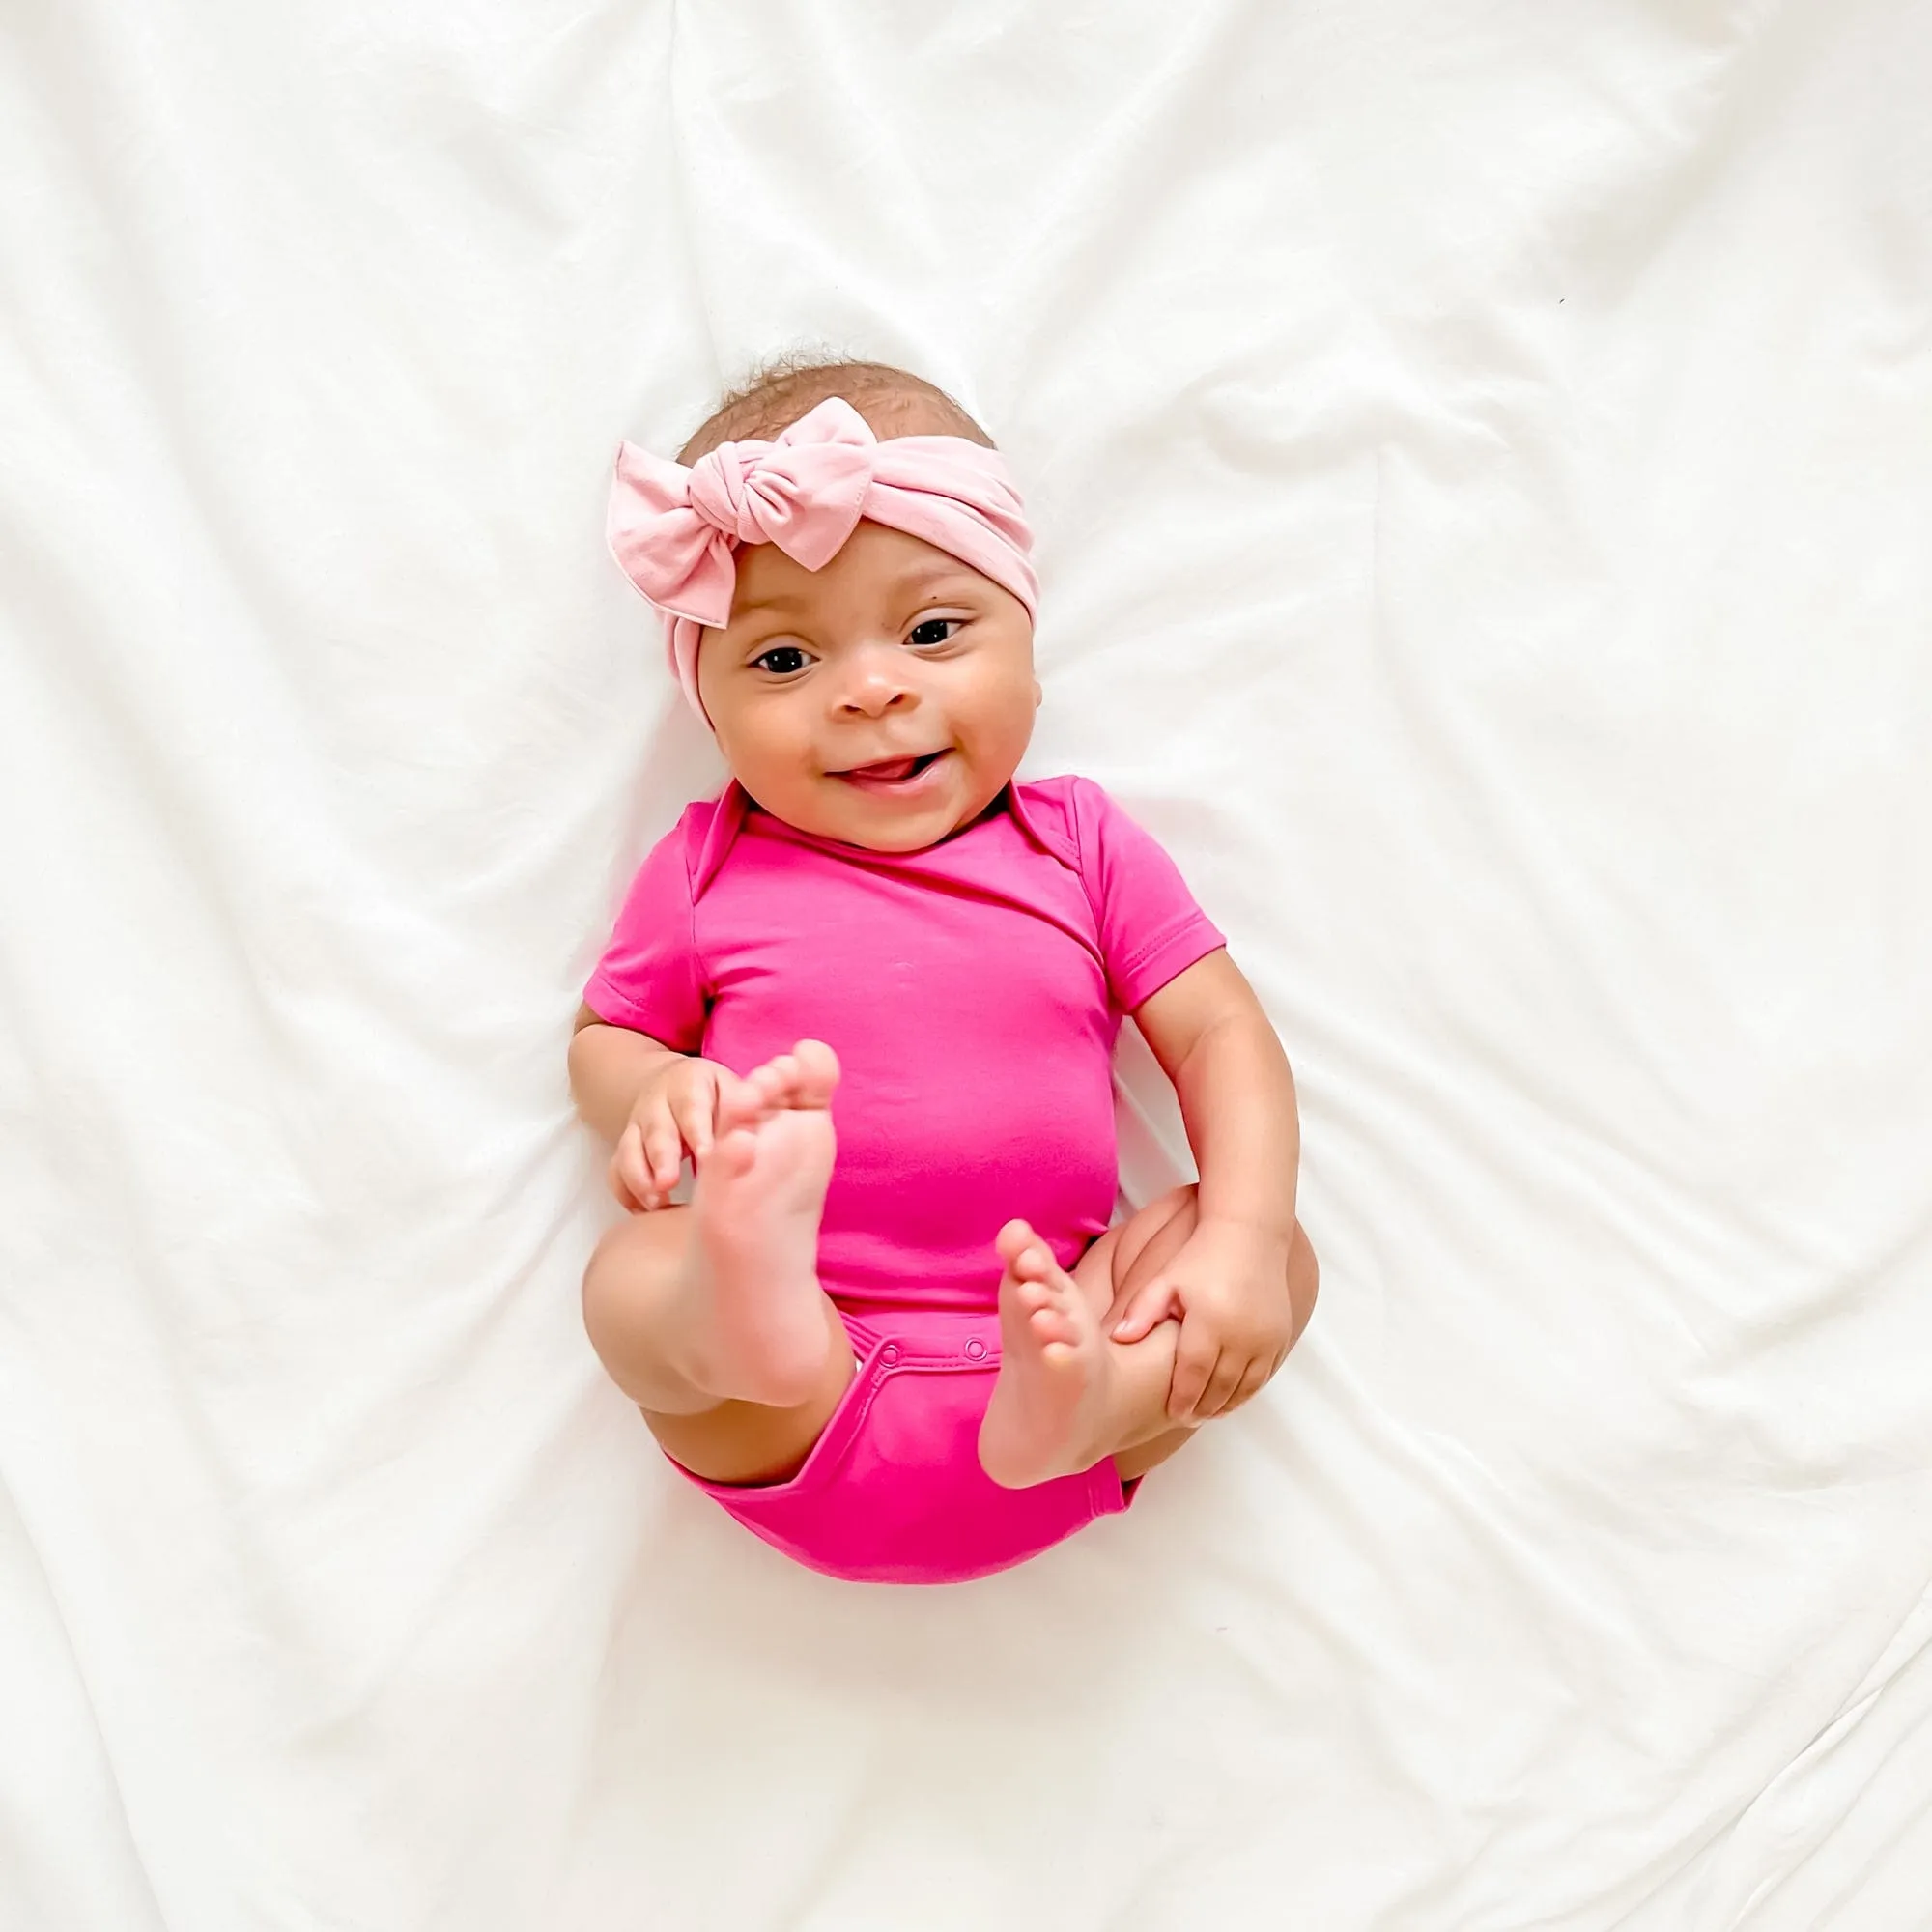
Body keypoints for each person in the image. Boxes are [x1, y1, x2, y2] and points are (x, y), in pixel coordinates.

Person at [568, 356, 1318, 1583]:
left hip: (1068, 1350)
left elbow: (1219, 1036)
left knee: (1271, 1250)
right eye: (781, 662)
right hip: (799, 1405)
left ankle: (1109, 1396)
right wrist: (649, 1090)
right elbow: (604, 1037)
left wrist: (1238, 1237)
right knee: (635, 1276)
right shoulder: (708, 864)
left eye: (929, 630)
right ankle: (748, 1314)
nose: (869, 690)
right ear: (703, 706)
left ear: (1028, 638)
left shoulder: (1077, 844)